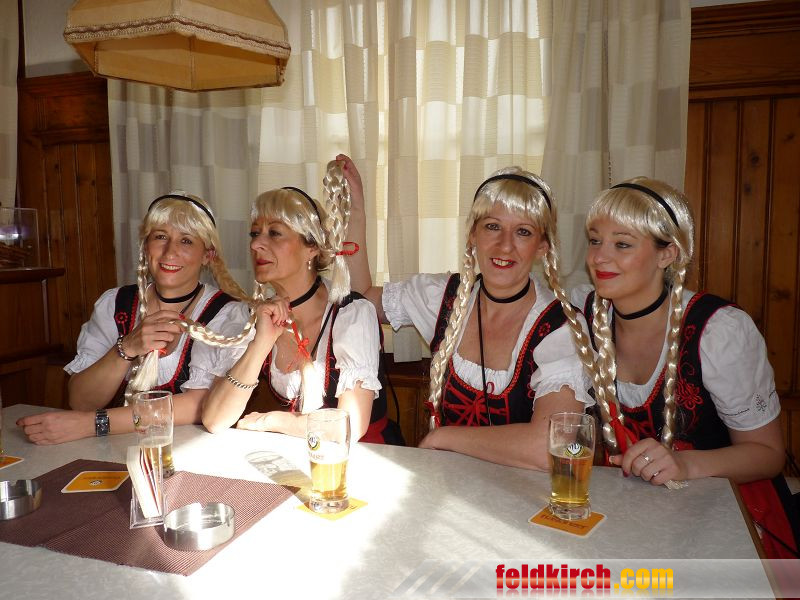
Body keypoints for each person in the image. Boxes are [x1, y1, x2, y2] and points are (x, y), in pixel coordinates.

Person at [572, 177, 797, 558]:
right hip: (635, 516)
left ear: (668, 254)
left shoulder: (719, 330)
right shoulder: (583, 314)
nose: (598, 258)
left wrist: (685, 464)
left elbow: (768, 453)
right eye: (595, 241)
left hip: (728, 517)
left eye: (622, 244)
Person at [343, 155, 594, 469]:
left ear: (543, 246)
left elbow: (549, 446)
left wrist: (445, 437)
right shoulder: (443, 298)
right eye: (492, 227)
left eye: (523, 232)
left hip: (524, 492)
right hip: (447, 482)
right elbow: (363, 299)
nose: (504, 246)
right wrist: (356, 213)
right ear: (473, 235)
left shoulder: (561, 328)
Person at [17, 192, 251, 444]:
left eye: (186, 241)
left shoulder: (226, 314)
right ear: (145, 245)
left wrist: (94, 424)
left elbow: (198, 405)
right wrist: (127, 348)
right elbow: (81, 401)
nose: (170, 252)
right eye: (160, 237)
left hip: (186, 450)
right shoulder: (115, 303)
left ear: (207, 255)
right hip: (110, 448)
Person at [202, 161, 401, 444]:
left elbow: (348, 427)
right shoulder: (255, 315)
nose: (256, 244)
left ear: (312, 248)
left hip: (360, 460)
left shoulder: (351, 314)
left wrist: (270, 421)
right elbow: (214, 420)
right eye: (255, 233)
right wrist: (261, 343)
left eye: (274, 233)